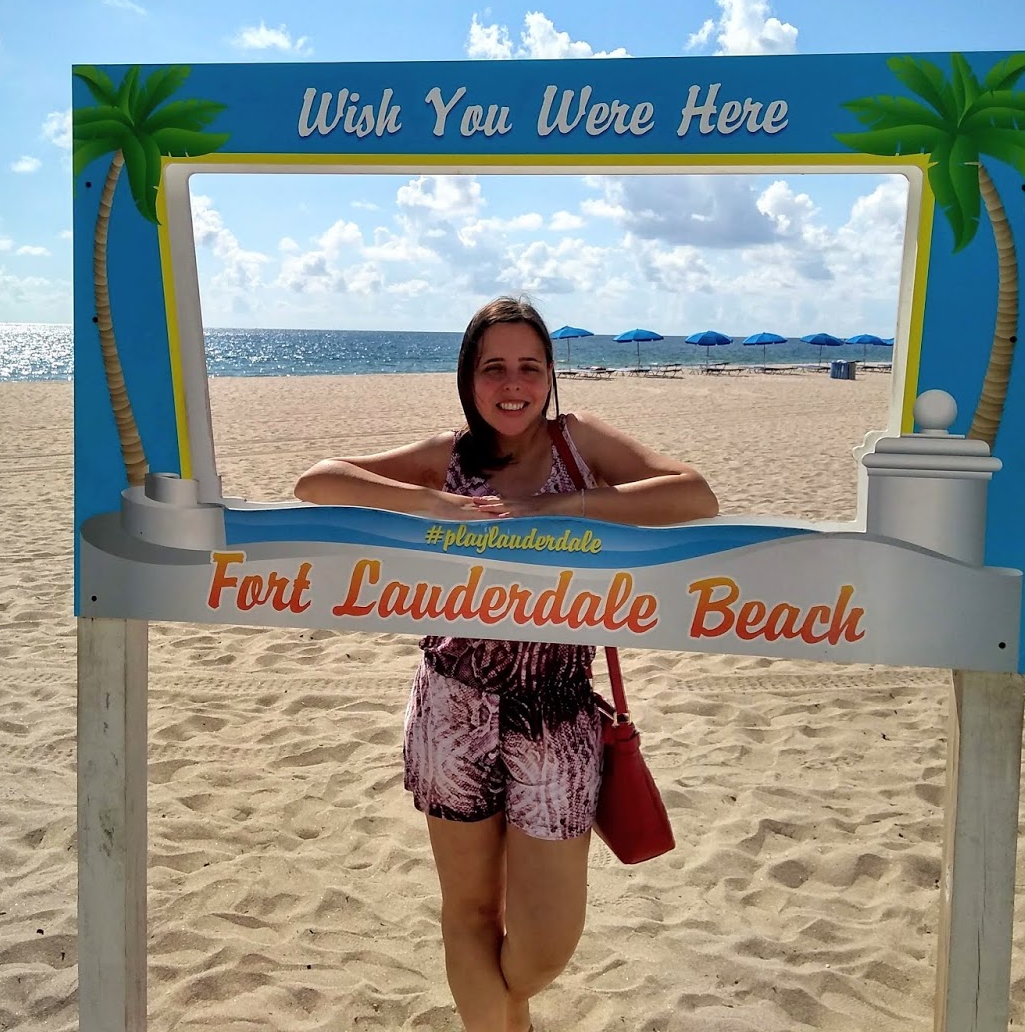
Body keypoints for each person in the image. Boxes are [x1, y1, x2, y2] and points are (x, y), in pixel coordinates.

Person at [295, 296, 717, 1032]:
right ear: (469, 377)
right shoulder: (450, 456)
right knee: (469, 912)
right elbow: (317, 481)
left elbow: (695, 494)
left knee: (545, 947)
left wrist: (565, 508)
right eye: (494, 367)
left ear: (550, 374)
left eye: (529, 366)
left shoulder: (578, 442)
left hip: (557, 712)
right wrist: (435, 504)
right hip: (451, 708)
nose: (512, 383)